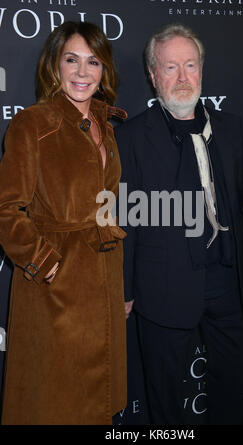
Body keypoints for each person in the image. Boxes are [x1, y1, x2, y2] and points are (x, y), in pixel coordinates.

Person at [115, 23, 243, 425]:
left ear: (202, 70)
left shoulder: (230, 128)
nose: (183, 77)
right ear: (154, 75)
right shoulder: (132, 137)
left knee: (229, 389)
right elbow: (123, 219)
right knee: (164, 400)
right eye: (171, 67)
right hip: (162, 288)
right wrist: (123, 290)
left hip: (226, 284)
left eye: (190, 65)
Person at [0, 21, 128, 425]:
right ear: (55, 65)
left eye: (93, 62)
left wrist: (116, 282)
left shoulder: (105, 126)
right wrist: (47, 262)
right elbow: (6, 208)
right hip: (55, 294)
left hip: (103, 283)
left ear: (104, 71)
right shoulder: (32, 124)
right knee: (55, 404)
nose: (82, 72)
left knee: (99, 405)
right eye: (72, 60)